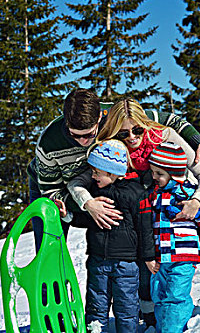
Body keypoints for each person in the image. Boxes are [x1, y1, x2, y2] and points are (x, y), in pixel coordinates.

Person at [77, 98, 200, 320]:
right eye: (123, 133)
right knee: (146, 250)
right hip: (161, 204)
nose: (132, 138)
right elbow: (81, 178)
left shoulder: (164, 136)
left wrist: (197, 201)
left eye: (137, 130)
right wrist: (87, 201)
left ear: (144, 124)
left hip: (193, 193)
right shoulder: (114, 151)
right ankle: (149, 310)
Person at [26, 88, 200, 251]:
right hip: (55, 186)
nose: (84, 143)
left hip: (95, 181)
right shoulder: (49, 143)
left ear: (100, 117)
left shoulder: (113, 116)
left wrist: (199, 143)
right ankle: (50, 294)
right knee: (49, 248)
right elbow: (51, 191)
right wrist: (86, 204)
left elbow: (169, 120)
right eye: (76, 136)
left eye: (90, 135)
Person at [56, 139, 155, 332]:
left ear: (111, 172)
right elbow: (86, 220)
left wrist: (148, 257)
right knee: (95, 304)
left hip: (126, 263)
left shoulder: (136, 194)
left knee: (126, 306)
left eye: (96, 172)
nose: (92, 176)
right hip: (98, 259)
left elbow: (145, 229)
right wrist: (68, 215)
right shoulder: (95, 193)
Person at [146, 142, 200, 333]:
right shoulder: (154, 195)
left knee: (176, 295)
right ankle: (163, 328)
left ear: (175, 173)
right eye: (153, 172)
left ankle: (173, 330)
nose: (154, 177)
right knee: (159, 295)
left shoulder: (188, 193)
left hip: (182, 257)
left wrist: (196, 211)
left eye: (159, 173)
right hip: (161, 256)